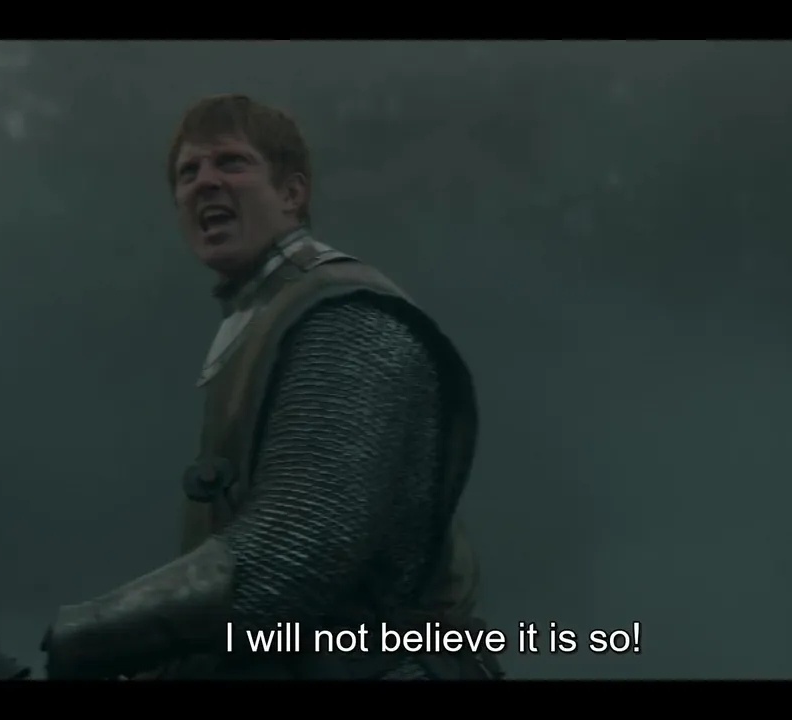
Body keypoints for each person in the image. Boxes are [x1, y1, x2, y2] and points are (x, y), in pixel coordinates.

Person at [40, 94, 496, 680]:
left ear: (291, 193)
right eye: (188, 172)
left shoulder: (343, 317)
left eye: (231, 162)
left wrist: (97, 629)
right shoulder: (260, 322)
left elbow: (299, 549)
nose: (205, 182)